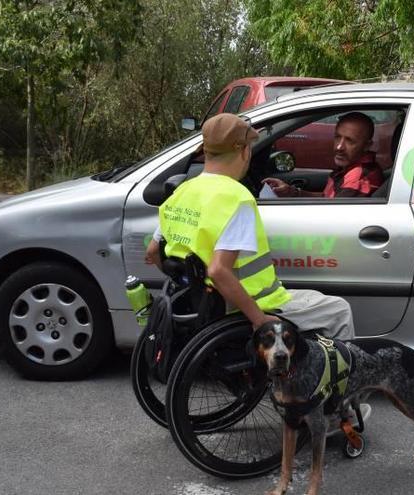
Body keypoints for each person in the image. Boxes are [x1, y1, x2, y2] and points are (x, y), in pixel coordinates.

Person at [144, 112, 354, 339]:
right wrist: (259, 319)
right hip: (252, 305)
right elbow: (218, 270)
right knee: (339, 310)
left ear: (206, 151)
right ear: (244, 151)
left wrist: (193, 290)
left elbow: (153, 252)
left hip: (204, 307)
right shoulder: (236, 198)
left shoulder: (180, 193)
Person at [261, 111, 383, 198]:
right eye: (337, 137)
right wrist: (292, 192)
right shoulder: (351, 168)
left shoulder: (358, 179)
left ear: (367, 145)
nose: (339, 147)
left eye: (350, 141)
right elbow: (328, 198)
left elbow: (331, 216)